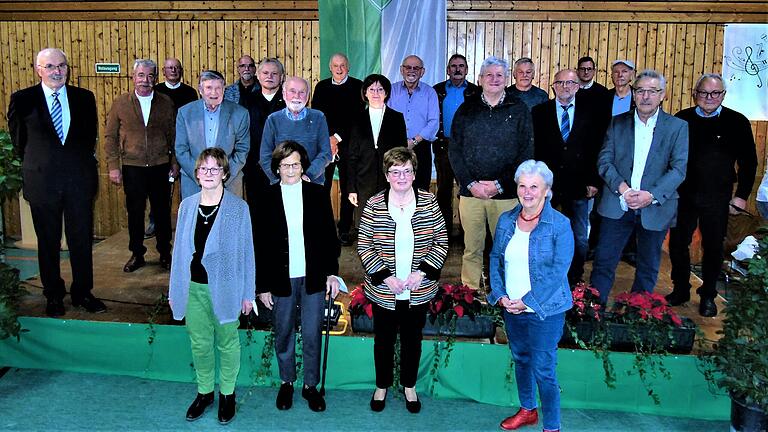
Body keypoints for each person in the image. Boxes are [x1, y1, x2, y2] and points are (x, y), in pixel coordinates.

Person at [8, 47, 106, 317]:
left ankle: (83, 292)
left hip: (79, 183)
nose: (57, 71)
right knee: (48, 242)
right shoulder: (23, 99)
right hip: (42, 183)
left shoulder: (84, 98)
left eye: (61, 65)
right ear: (39, 70)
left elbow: (88, 139)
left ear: (67, 68)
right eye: (50, 66)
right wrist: (42, 164)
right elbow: (19, 142)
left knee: (81, 241)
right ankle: (53, 294)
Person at [168, 147, 255, 425]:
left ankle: (227, 394)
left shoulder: (238, 208)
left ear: (225, 174)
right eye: (203, 169)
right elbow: (178, 253)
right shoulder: (186, 206)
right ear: (196, 174)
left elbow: (247, 252)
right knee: (200, 344)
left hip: (227, 289)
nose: (208, 173)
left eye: (215, 168)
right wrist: (175, 290)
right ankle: (205, 392)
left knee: (228, 343)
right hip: (192, 287)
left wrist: (247, 293)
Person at [358, 147, 448, 414]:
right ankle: (382, 386)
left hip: (417, 289)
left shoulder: (429, 202)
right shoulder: (374, 204)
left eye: (407, 171)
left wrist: (421, 273)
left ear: (414, 173)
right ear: (386, 175)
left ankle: (409, 386)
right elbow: (364, 245)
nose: (401, 176)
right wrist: (385, 277)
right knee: (383, 340)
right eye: (395, 171)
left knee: (413, 339)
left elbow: (441, 242)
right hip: (385, 290)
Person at [487, 159, 573, 432]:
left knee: (544, 370)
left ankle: (552, 427)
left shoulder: (560, 225)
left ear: (547, 190)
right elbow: (495, 259)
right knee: (521, 358)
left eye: (534, 186)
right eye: (522, 185)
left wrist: (528, 302)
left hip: (545, 311)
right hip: (511, 307)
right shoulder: (506, 220)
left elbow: (559, 271)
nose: (527, 192)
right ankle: (527, 410)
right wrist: (500, 295)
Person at [256, 141, 341, 412]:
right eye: (285, 165)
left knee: (313, 331)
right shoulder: (265, 197)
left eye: (295, 164)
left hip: (313, 275)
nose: (291, 170)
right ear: (277, 168)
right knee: (284, 331)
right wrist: (263, 286)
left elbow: (330, 237)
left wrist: (331, 273)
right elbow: (259, 245)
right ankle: (287, 382)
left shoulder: (317, 194)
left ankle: (310, 386)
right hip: (280, 277)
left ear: (302, 166)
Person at [590, 70, 688, 304]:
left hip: (655, 208)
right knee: (603, 262)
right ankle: (593, 312)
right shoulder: (617, 123)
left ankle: (634, 316)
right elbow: (604, 161)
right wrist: (623, 189)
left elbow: (678, 169)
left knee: (648, 267)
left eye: (652, 91)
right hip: (617, 203)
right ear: (633, 94)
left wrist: (650, 195)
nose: (645, 96)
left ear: (662, 95)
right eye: (640, 90)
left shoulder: (677, 127)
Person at [668, 73, 757, 317]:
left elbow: (749, 163)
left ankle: (708, 295)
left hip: (718, 196)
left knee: (713, 246)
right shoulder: (681, 119)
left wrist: (741, 196)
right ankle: (681, 288)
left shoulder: (737, 121)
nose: (709, 98)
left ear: (723, 95)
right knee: (677, 244)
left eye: (715, 93)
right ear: (695, 93)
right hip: (683, 194)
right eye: (704, 93)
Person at [449, 56, 534, 291]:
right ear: (479, 79)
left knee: (505, 249)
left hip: (506, 195)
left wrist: (500, 184)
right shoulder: (466, 109)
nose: (494, 79)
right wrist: (470, 183)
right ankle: (470, 296)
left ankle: (504, 294)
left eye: (499, 75)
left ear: (506, 79)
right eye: (489, 75)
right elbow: (454, 150)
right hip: (471, 193)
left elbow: (526, 153)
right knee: (472, 248)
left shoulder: (519, 109)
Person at [104, 59, 177, 273]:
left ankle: (165, 252)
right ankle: (137, 253)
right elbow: (110, 136)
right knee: (135, 212)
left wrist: (174, 163)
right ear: (133, 77)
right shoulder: (121, 103)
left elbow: (173, 135)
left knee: (162, 212)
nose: (146, 80)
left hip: (160, 165)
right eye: (141, 75)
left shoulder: (165, 102)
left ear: (155, 78)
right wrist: (113, 165)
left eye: (150, 76)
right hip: (132, 166)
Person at [533, 69, 603, 285]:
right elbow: (533, 148)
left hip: (579, 184)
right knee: (543, 232)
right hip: (547, 185)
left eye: (571, 83)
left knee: (579, 237)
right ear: (553, 86)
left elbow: (597, 148)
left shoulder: (592, 112)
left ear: (578, 86)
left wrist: (594, 180)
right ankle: (543, 275)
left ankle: (574, 277)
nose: (566, 86)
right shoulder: (538, 112)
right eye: (561, 82)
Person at [311, 53, 365, 244]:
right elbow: (317, 116)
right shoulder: (321, 87)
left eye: (343, 65)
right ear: (330, 67)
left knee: (348, 188)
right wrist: (328, 140)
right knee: (321, 188)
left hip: (350, 146)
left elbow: (358, 118)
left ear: (348, 67)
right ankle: (323, 229)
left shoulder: (358, 86)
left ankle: (344, 230)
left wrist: (337, 137)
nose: (339, 69)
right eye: (336, 65)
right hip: (325, 146)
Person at [175, 70, 250, 199]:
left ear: (224, 89)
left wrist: (222, 174)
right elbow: (181, 150)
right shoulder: (185, 113)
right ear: (200, 90)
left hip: (229, 181)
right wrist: (201, 174)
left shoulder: (240, 114)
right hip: (194, 183)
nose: (214, 93)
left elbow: (242, 150)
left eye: (218, 88)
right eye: (209, 88)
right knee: (196, 219)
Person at [347, 74, 408, 224]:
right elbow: (351, 156)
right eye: (371, 89)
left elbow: (402, 154)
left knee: (389, 226)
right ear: (365, 93)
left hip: (390, 182)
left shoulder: (397, 118)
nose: (376, 93)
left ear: (386, 93)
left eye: (380, 89)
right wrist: (351, 188)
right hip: (363, 182)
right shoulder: (356, 118)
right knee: (366, 227)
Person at [433, 54, 480, 239]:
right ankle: (443, 234)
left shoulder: (476, 92)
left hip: (468, 149)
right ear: (448, 70)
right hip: (443, 147)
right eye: (453, 66)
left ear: (467, 70)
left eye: (461, 66)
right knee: (443, 191)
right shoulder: (436, 90)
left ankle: (466, 233)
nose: (457, 69)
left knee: (467, 191)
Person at [259, 76, 331, 186]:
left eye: (302, 92)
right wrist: (280, 178)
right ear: (284, 94)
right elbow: (265, 156)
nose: (297, 96)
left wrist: (308, 176)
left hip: (313, 184)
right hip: (280, 185)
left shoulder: (319, 118)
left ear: (307, 96)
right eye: (292, 91)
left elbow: (325, 153)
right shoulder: (273, 120)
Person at [386, 55, 439, 192]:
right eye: (408, 67)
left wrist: (414, 141)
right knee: (395, 188)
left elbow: (433, 122)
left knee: (420, 189)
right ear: (401, 70)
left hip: (421, 147)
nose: (412, 71)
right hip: (394, 147)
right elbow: (384, 118)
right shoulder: (390, 91)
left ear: (422, 72)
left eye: (416, 68)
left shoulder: (430, 93)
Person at [242, 57, 286, 201]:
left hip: (283, 166)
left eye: (274, 73)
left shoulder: (289, 101)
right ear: (258, 76)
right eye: (265, 73)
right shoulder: (247, 101)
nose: (269, 77)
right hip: (254, 167)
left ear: (282, 77)